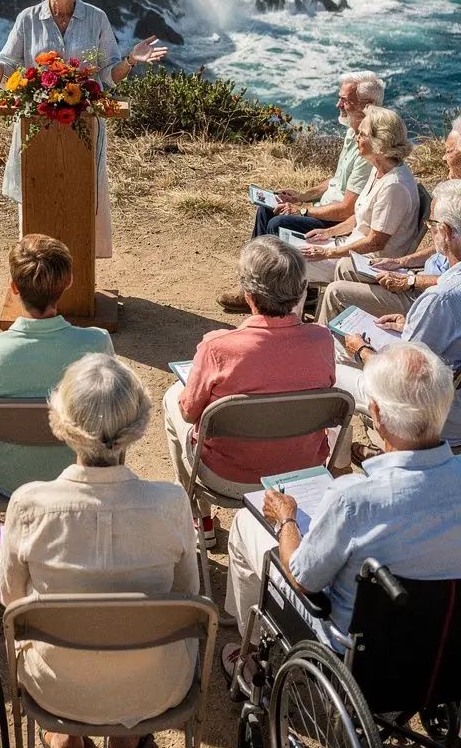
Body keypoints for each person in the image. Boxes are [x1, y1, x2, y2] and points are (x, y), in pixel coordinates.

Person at [0, 354, 199, 748]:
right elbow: (186, 596)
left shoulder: (27, 504)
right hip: (155, 685)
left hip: (56, 687)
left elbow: (10, 599)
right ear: (136, 425)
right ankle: (127, 736)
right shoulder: (171, 503)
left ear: (62, 422)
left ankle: (65, 738)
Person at [223, 343, 461, 674]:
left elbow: (304, 579)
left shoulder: (352, 498)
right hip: (444, 646)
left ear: (376, 414)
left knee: (245, 522)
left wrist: (286, 521)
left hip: (352, 650)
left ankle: (248, 655)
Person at [0, 0, 167, 257]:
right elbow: (8, 75)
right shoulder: (27, 19)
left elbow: (106, 76)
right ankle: (34, 272)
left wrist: (130, 59)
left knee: (80, 198)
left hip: (83, 128)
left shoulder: (97, 19)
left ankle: (79, 274)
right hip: (38, 128)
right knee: (38, 199)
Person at [164, 238, 335, 549]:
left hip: (227, 476)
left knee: (172, 397)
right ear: (301, 290)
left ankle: (197, 516)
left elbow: (189, 412)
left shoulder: (217, 347)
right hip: (302, 468)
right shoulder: (322, 340)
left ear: (247, 293)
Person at [218, 71, 383, 311]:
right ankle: (253, 287)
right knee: (266, 211)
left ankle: (278, 292)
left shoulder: (368, 146)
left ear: (367, 106)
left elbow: (347, 210)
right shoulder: (353, 132)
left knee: (278, 223)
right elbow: (337, 181)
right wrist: (303, 196)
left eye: (345, 101)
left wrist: (303, 210)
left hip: (335, 221)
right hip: (323, 210)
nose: (338, 105)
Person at [0, 234, 113, 495]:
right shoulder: (97, 342)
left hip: (10, 481)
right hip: (81, 477)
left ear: (13, 287)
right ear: (68, 282)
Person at [334, 181, 461, 459]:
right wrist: (410, 323)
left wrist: (361, 351)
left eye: (433, 224)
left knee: (332, 363)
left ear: (447, 233)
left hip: (436, 416)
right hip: (450, 402)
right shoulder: (442, 298)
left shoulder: (441, 298)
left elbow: (402, 380)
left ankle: (342, 460)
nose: (431, 230)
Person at [320, 117, 461, 322]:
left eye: (449, 151)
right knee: (344, 267)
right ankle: (348, 331)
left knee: (335, 293)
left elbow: (454, 284)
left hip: (428, 296)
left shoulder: (396, 184)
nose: (442, 157)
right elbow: (448, 244)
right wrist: (401, 262)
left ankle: (333, 346)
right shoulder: (453, 191)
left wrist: (412, 280)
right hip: (421, 278)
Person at [302, 106, 420, 286]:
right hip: (351, 248)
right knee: (292, 250)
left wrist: (327, 253)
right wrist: (328, 232)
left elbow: (375, 243)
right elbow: (360, 216)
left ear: (380, 142)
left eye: (362, 134)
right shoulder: (379, 170)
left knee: (290, 260)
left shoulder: (394, 186)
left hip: (366, 263)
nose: (357, 137)